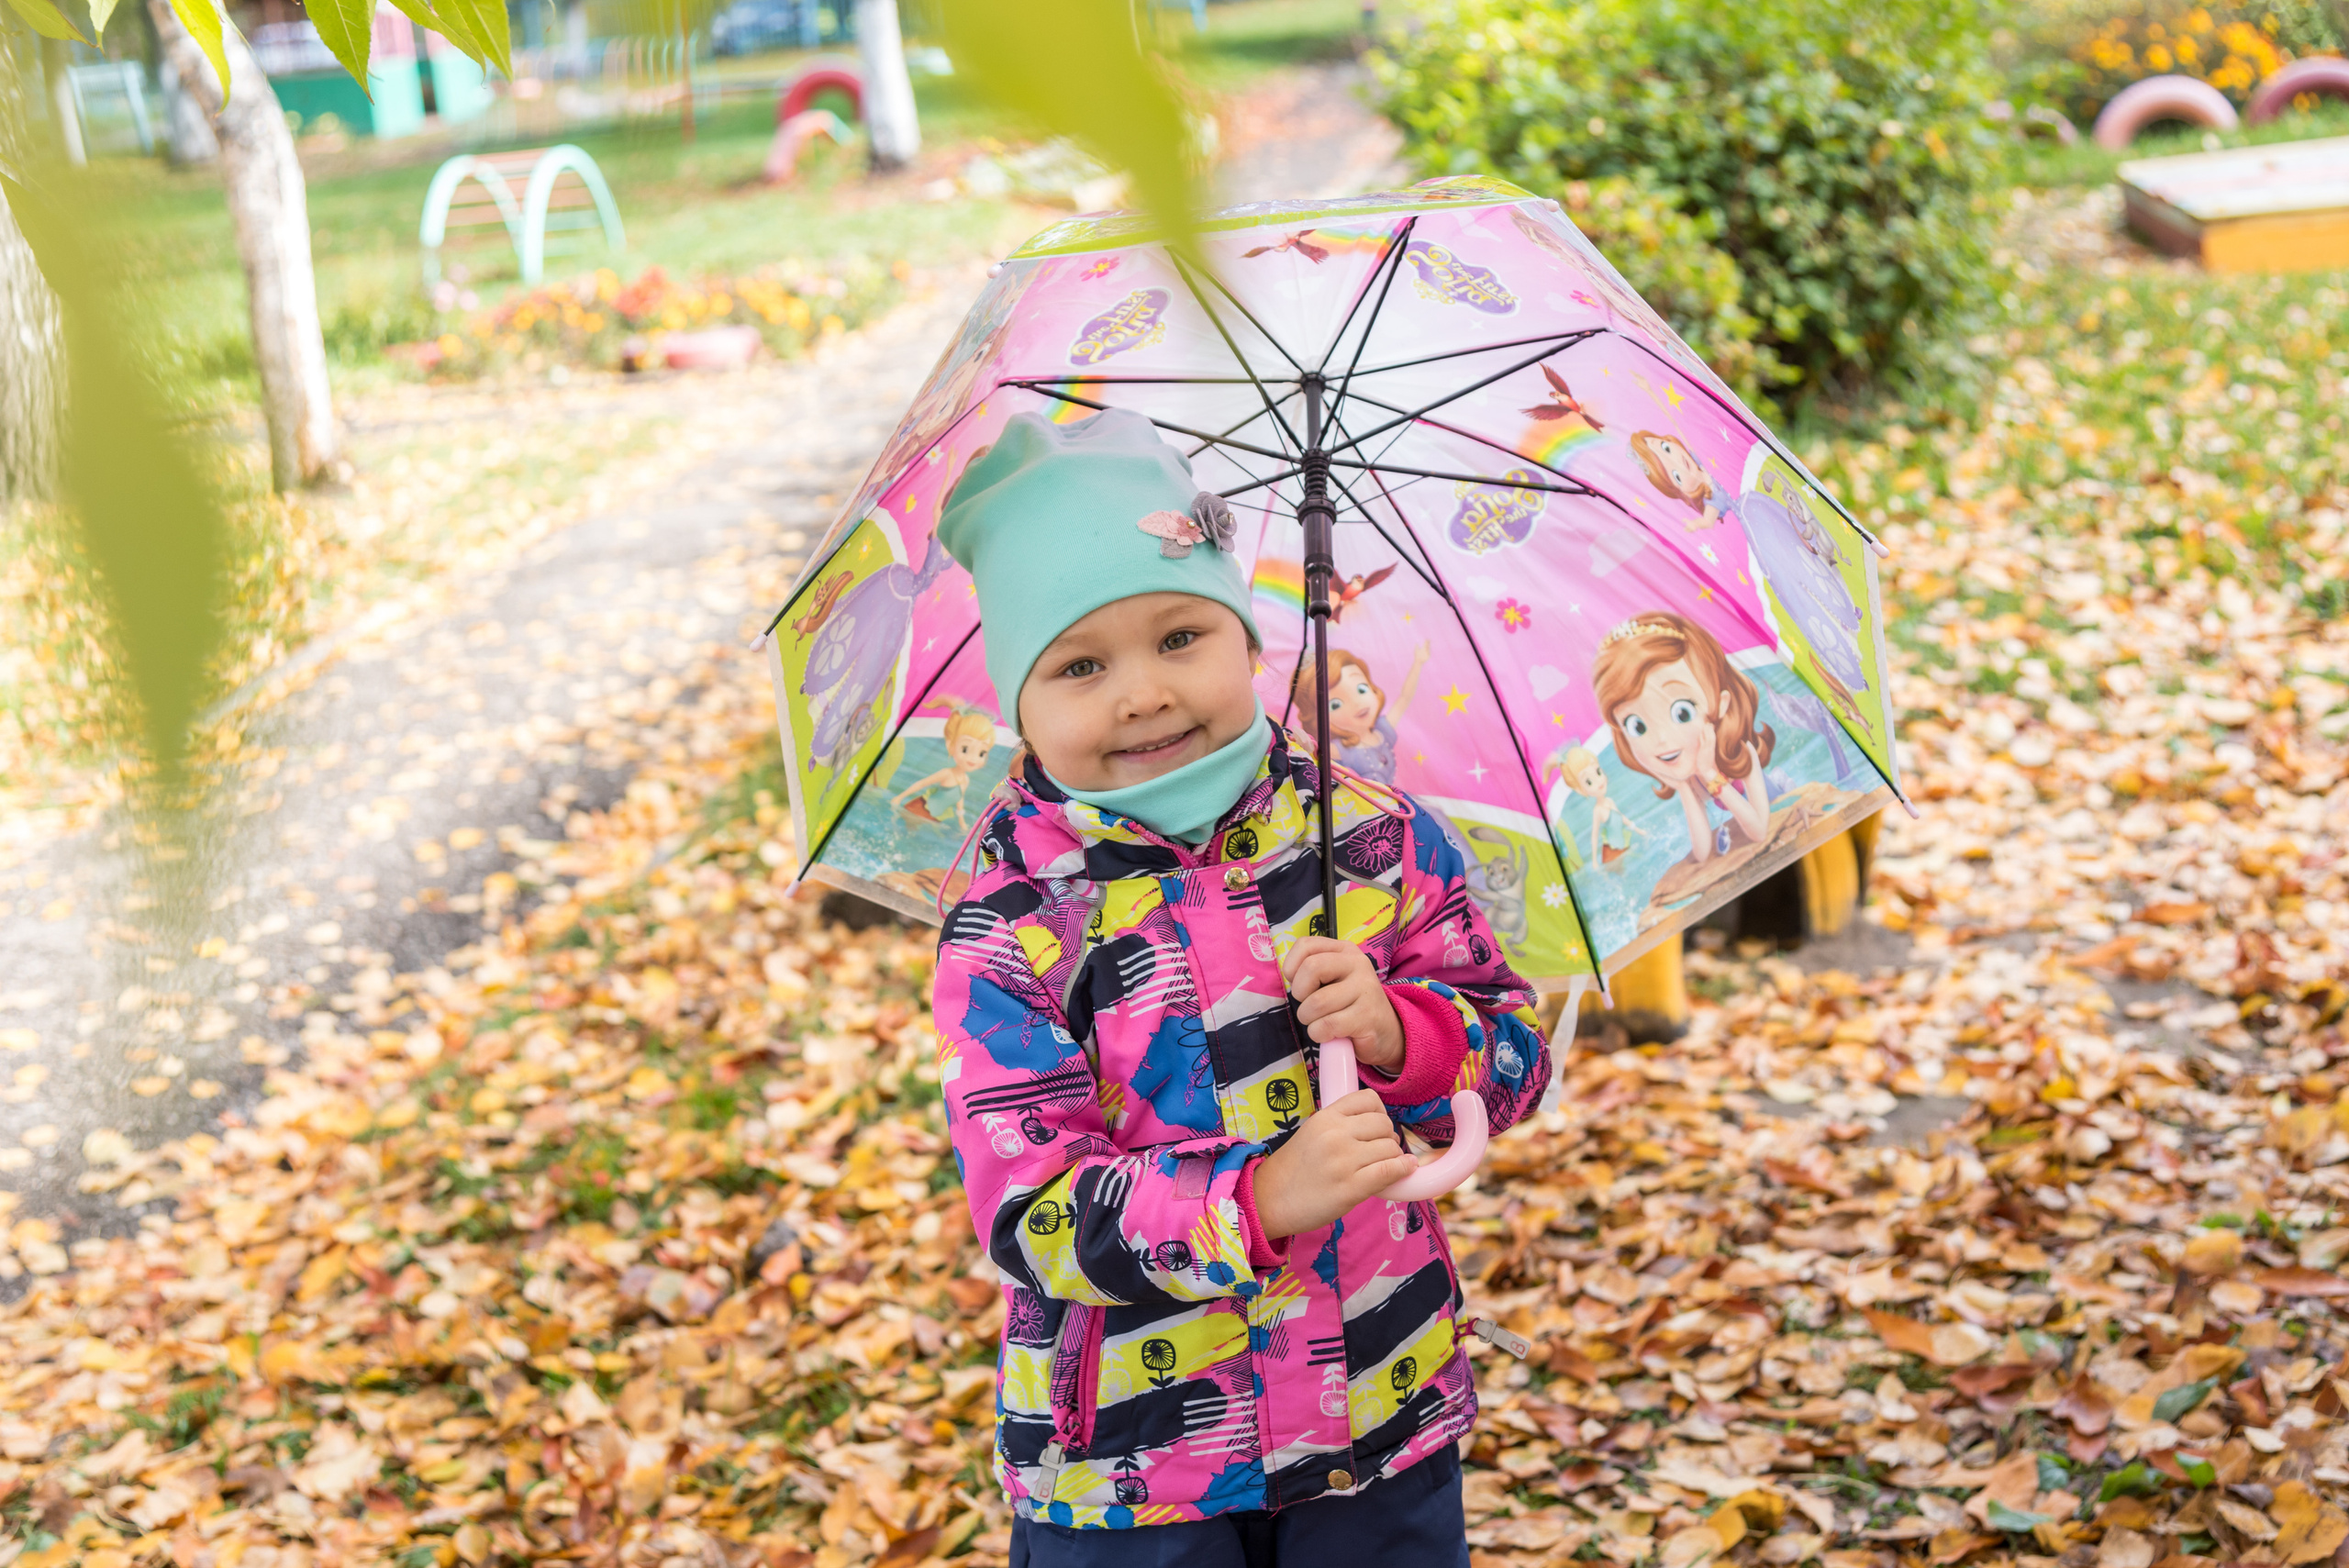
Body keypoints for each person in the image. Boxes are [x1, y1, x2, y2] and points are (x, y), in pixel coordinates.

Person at [930, 408, 1551, 1566]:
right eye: (1079, 665)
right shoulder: (1013, 923)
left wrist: (1402, 1034)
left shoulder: (1371, 838)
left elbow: (1514, 1056)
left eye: (1179, 636)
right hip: (1135, 1467)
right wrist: (1260, 1195)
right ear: (1019, 700)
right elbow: (1031, 1211)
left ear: (1250, 637)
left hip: (1379, 1413)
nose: (1141, 693)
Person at [1589, 613, 1775, 865]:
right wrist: (1683, 786)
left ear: (1720, 703)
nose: (1662, 739)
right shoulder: (1689, 773)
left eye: (1682, 712)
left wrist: (1710, 774)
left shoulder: (1741, 751)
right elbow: (1702, 852)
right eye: (1637, 727)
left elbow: (1760, 831)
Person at [892, 700, 999, 830]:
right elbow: (922, 783)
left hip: (934, 816)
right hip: (920, 809)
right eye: (965, 749)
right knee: (904, 830)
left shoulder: (965, 779)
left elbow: (959, 801)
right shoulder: (947, 773)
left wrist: (962, 823)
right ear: (950, 745)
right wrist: (899, 797)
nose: (973, 759)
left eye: (981, 753)